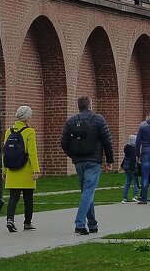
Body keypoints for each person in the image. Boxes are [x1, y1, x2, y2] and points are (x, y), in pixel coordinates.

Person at [61, 95, 114, 236]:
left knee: (86, 191)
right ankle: (79, 223)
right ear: (90, 105)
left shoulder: (71, 121)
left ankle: (92, 224)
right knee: (89, 191)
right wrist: (109, 161)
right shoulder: (98, 119)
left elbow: (63, 142)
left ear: (78, 106)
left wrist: (73, 155)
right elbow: (107, 141)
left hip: (79, 161)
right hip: (93, 160)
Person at [3, 104, 41, 232]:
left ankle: (10, 220)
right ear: (27, 117)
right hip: (26, 169)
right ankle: (27, 222)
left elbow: (6, 152)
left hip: (12, 170)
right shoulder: (29, 131)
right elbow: (32, 152)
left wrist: (4, 170)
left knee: (13, 197)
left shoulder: (9, 131)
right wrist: (36, 170)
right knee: (28, 197)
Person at [121, 134, 140, 202]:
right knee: (135, 182)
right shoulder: (133, 150)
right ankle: (135, 196)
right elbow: (132, 160)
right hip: (131, 168)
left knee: (127, 182)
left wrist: (122, 166)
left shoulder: (126, 148)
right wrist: (135, 169)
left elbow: (125, 158)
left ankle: (124, 197)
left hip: (126, 167)